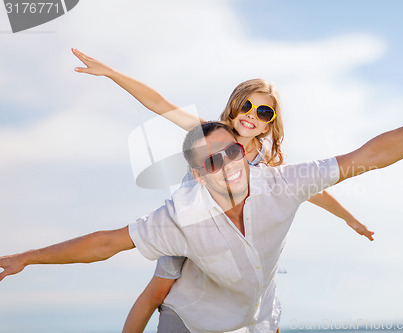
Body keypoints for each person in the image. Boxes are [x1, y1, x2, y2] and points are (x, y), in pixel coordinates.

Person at [1, 89, 403, 332]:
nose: (228, 164)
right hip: (191, 319)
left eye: (234, 152)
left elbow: (370, 156)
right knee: (160, 290)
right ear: (198, 173)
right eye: (213, 160)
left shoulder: (280, 180)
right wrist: (26, 257)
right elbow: (106, 242)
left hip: (252, 314)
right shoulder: (180, 215)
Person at [71, 49, 374, 332]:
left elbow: (312, 188)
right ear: (234, 105)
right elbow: (161, 104)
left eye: (263, 112)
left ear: (269, 125)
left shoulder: (264, 158)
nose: (252, 114)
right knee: (158, 291)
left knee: (264, 297)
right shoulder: (210, 132)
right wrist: (112, 74)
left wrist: (349, 218)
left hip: (233, 236)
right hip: (192, 224)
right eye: (247, 105)